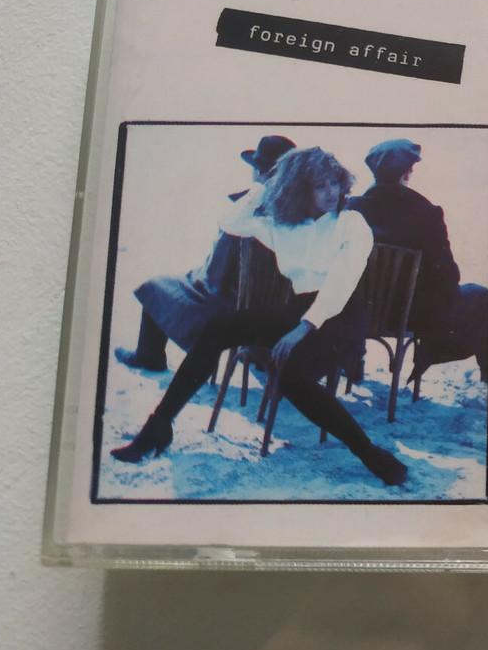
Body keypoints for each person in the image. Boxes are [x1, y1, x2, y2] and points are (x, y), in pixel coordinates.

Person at [109, 146, 407, 486]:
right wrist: (264, 186)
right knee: (219, 328)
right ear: (300, 189)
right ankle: (158, 426)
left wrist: (302, 329)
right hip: (299, 309)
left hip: (340, 318)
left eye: (334, 183)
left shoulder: (351, 224)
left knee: (292, 376)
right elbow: (231, 222)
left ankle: (370, 454)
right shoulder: (284, 226)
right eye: (320, 185)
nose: (331, 192)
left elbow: (342, 284)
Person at [114, 134, 296, 371]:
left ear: (260, 173)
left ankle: (149, 357)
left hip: (230, 302)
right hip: (274, 306)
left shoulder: (244, 216)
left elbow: (215, 277)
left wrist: (196, 276)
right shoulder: (296, 213)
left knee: (156, 287)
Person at [346, 139, 488, 385]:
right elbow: (448, 275)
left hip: (357, 313)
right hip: (411, 317)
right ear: (408, 172)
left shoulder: (351, 208)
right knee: (482, 296)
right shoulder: (426, 212)